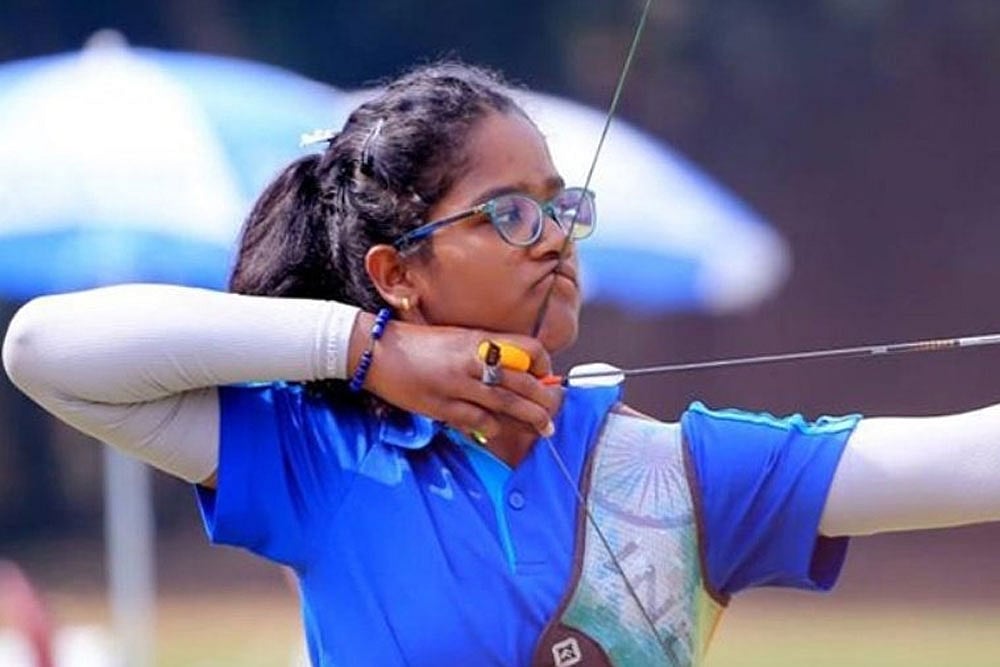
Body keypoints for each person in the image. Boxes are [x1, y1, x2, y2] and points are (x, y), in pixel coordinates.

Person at [3, 62, 1000, 667]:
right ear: (396, 274)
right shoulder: (323, 457)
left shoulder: (682, 475)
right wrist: (362, 351)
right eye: (512, 214)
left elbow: (970, 460)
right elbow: (46, 348)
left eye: (562, 207)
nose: (557, 237)